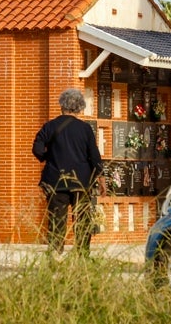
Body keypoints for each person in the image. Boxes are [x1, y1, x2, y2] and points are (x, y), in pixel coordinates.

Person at [32, 87, 104, 255]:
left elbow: (37, 148)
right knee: (82, 220)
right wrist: (101, 180)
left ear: (61, 105)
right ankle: (82, 254)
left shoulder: (49, 126)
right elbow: (94, 155)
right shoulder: (85, 129)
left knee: (57, 220)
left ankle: (55, 254)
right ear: (80, 107)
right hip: (82, 182)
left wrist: (48, 157)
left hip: (56, 181)